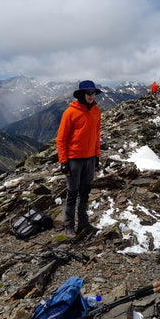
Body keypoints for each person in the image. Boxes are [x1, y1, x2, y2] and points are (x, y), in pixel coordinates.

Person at [56, 80, 102, 239]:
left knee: (85, 192)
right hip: (74, 160)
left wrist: (96, 157)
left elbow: (97, 136)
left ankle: (84, 224)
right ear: (82, 94)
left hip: (89, 160)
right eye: (88, 93)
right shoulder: (70, 112)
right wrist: (64, 162)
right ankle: (69, 226)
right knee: (72, 193)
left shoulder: (96, 111)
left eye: (93, 93)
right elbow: (61, 139)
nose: (91, 96)